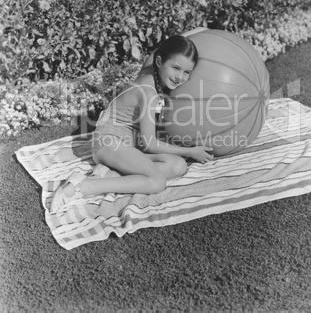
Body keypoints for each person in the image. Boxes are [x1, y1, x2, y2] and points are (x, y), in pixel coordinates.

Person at [50, 35, 213, 213]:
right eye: (176, 68)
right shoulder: (149, 93)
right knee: (157, 181)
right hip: (109, 143)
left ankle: (108, 174)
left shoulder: (150, 70)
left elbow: (159, 50)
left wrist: (203, 31)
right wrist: (191, 151)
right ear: (160, 61)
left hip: (128, 146)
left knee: (178, 165)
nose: (180, 77)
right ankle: (84, 186)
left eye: (187, 72)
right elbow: (150, 144)